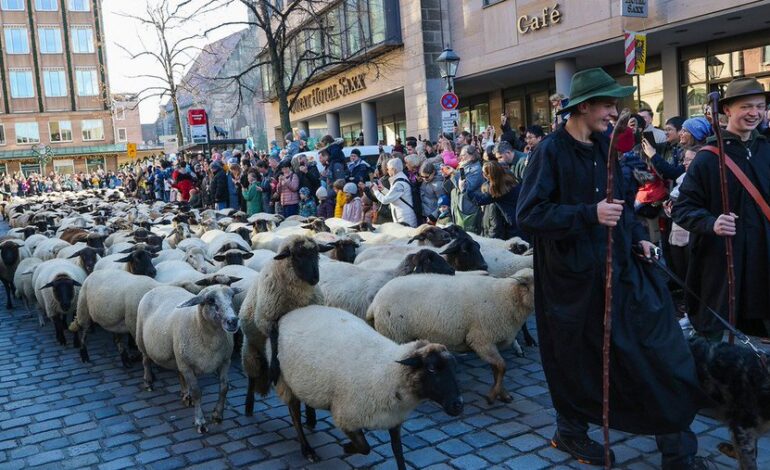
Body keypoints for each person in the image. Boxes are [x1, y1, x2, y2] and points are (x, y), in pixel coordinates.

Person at [516, 67, 707, 469]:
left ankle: (676, 445)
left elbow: (621, 205)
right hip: (572, 281)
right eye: (607, 104)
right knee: (576, 356)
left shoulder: (607, 147)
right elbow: (529, 215)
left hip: (623, 267)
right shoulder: (549, 152)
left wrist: (637, 233)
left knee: (658, 347)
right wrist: (589, 214)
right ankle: (570, 431)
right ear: (584, 107)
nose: (613, 112)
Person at [672, 77, 770, 340]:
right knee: (721, 345)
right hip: (724, 267)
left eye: (759, 106)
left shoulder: (765, 150)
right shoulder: (708, 157)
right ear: (727, 110)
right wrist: (711, 222)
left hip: (763, 262)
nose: (754, 113)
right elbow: (682, 209)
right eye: (746, 106)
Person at [471, 161, 522, 240]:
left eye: (484, 173)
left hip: (514, 223)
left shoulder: (496, 188)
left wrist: (465, 190)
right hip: (522, 216)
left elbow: (479, 201)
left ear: (488, 175)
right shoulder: (510, 179)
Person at [443, 145, 484, 234]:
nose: (460, 157)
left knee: (469, 235)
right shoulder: (463, 165)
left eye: (463, 155)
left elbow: (466, 186)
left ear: (472, 156)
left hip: (468, 207)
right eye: (460, 155)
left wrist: (454, 173)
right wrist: (449, 175)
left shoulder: (476, 169)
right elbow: (459, 180)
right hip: (458, 206)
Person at [371, 158, 418, 227]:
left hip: (405, 217)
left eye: (388, 169)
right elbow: (395, 196)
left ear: (393, 169)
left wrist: (375, 191)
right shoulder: (401, 178)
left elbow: (385, 200)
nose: (387, 171)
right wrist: (383, 189)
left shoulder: (399, 183)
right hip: (403, 215)